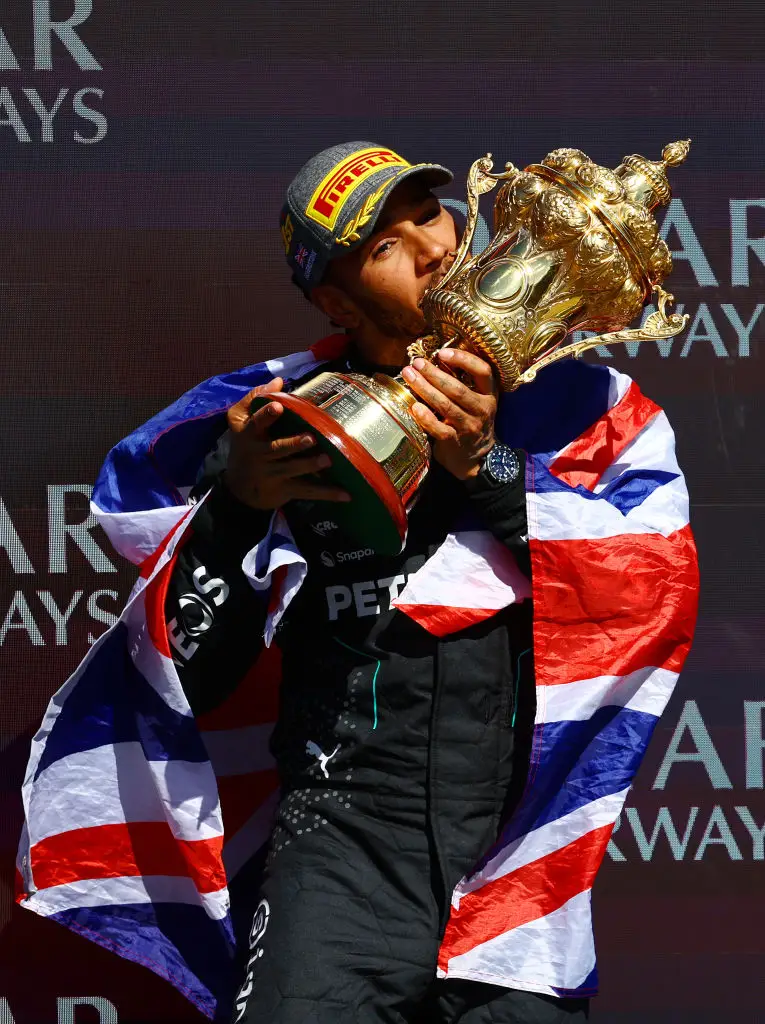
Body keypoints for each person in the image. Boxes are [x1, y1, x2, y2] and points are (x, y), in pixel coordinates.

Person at [18, 141, 697, 1024]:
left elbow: (651, 597)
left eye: (429, 212)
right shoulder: (277, 427)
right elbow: (192, 675)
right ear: (335, 298)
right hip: (340, 839)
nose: (433, 245)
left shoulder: (595, 415)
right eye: (383, 244)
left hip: (514, 864)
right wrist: (236, 505)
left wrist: (489, 470)